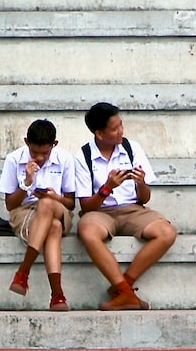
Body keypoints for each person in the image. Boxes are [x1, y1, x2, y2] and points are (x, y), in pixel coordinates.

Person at [73, 102, 177, 310]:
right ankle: (126, 293)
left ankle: (123, 289)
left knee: (167, 232)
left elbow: (145, 198)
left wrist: (141, 182)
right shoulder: (83, 156)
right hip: (101, 212)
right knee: (87, 231)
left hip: (133, 209)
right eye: (114, 128)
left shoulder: (131, 148)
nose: (121, 131)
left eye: (121, 125)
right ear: (100, 134)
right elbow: (86, 205)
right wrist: (107, 188)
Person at [0, 119, 78, 311]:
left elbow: (71, 203)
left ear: (54, 145)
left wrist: (54, 196)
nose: (40, 157)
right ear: (26, 142)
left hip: (58, 209)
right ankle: (57, 295)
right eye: (34, 152)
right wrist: (26, 183)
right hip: (25, 213)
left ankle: (23, 272)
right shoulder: (14, 159)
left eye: (45, 152)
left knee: (48, 204)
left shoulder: (65, 159)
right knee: (53, 227)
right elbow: (10, 205)